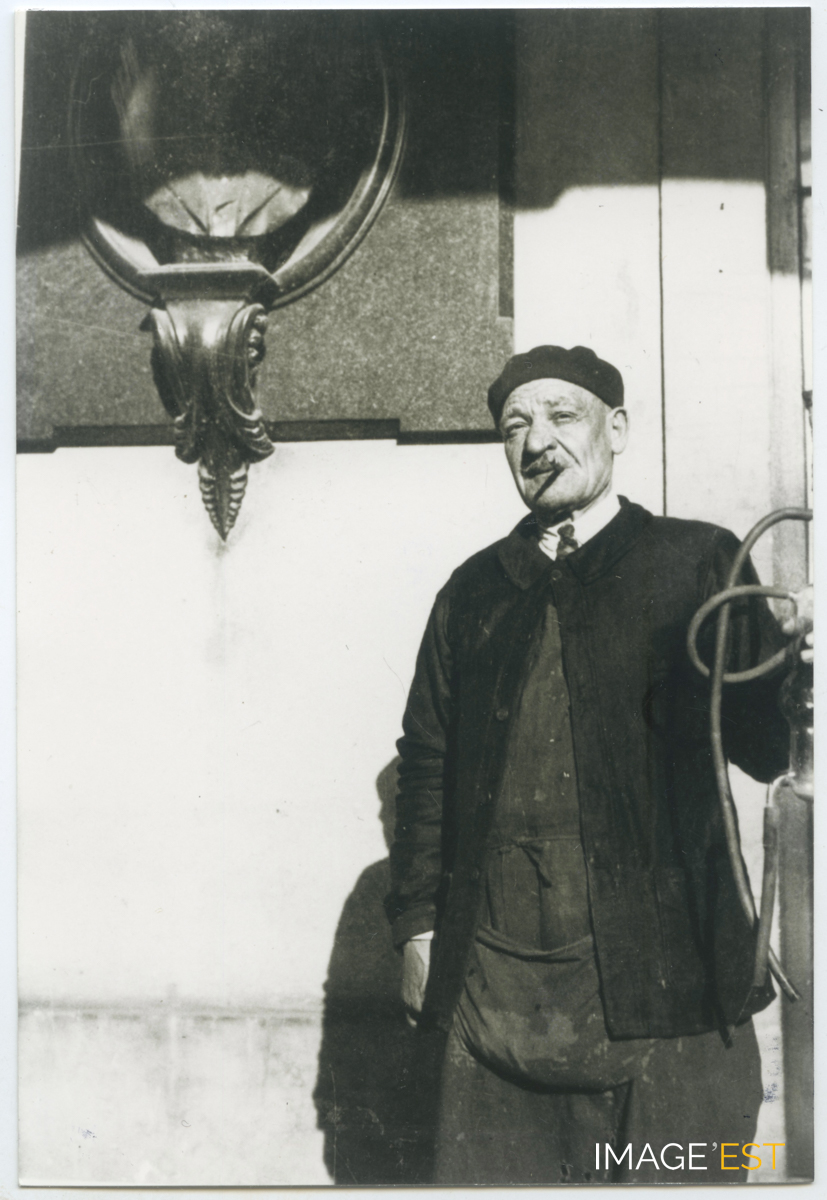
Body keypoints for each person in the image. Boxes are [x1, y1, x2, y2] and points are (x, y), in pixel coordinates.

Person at [384, 345, 799, 1185]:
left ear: (617, 428)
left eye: (561, 416)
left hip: (671, 972)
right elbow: (426, 764)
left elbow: (765, 751)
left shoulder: (697, 560)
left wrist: (787, 665)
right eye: (513, 426)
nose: (536, 441)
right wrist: (417, 929)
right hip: (497, 978)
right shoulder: (471, 591)